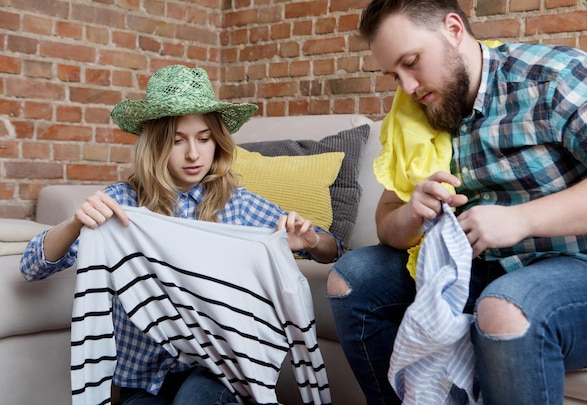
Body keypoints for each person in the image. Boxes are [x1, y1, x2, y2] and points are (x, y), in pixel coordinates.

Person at [326, 0, 587, 404]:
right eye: (394, 75)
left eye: (412, 62)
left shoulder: (554, 76)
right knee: (352, 279)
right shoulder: (417, 113)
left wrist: (522, 219)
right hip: (480, 271)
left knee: (503, 306)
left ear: (453, 29)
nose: (408, 88)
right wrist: (413, 211)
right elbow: (386, 225)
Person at [20, 64, 344, 405]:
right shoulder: (121, 204)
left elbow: (330, 249)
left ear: (217, 141)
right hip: (145, 381)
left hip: (219, 372)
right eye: (177, 141)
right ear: (156, 145)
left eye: (204, 139)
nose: (194, 154)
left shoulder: (237, 205)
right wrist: (76, 222)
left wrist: (309, 239)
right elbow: (31, 266)